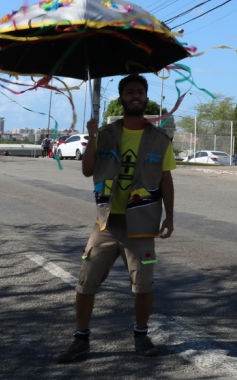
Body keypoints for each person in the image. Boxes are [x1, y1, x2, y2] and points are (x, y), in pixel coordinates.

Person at [54, 74, 176, 363]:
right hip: (106, 223)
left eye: (140, 91)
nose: (135, 96)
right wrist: (92, 137)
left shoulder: (160, 139)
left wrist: (169, 217)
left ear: (146, 98)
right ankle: (81, 339)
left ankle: (141, 335)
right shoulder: (105, 134)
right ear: (121, 99)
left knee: (143, 285)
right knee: (86, 281)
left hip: (142, 223)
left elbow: (166, 180)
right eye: (130, 91)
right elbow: (87, 170)